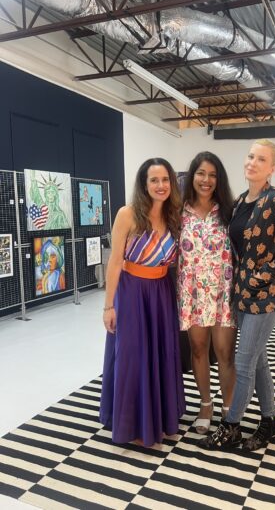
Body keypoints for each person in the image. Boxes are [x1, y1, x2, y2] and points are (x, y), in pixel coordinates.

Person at [199, 139, 275, 452]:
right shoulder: (240, 201)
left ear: (272, 168)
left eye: (261, 159)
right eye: (250, 156)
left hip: (267, 295)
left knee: (243, 363)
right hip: (242, 295)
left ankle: (231, 427)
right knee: (258, 362)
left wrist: (265, 272)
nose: (252, 163)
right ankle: (269, 422)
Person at [99, 158, 185, 447]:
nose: (161, 185)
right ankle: (132, 423)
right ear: (144, 184)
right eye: (154, 180)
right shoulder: (128, 214)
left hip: (162, 292)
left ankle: (159, 417)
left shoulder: (174, 216)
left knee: (162, 353)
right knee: (132, 355)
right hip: (132, 291)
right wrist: (109, 306)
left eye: (165, 179)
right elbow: (114, 262)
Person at [177, 151, 236, 434]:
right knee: (198, 350)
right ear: (192, 176)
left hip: (223, 293)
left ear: (219, 179)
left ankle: (229, 409)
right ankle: (205, 405)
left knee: (225, 353)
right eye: (201, 173)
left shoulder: (229, 211)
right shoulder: (178, 212)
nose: (206, 180)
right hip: (192, 294)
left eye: (212, 175)